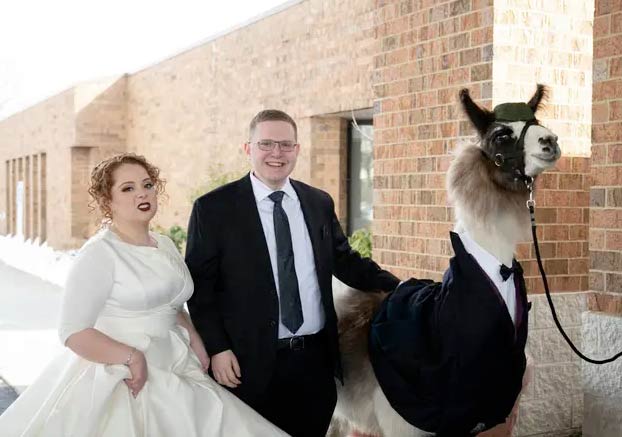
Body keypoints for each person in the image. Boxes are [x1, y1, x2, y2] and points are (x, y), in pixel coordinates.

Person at [0, 153, 288, 437]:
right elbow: (73, 331)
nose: (142, 194)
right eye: (128, 188)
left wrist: (198, 341)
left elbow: (171, 302)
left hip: (178, 361)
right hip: (126, 375)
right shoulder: (100, 254)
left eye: (147, 185)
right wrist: (132, 358)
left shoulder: (163, 244)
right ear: (106, 200)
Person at [185, 109, 400, 437]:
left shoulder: (317, 203)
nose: (277, 153)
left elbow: (348, 262)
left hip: (314, 363)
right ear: (248, 149)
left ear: (297, 150)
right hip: (247, 364)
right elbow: (201, 288)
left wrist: (403, 288)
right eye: (266, 144)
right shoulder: (214, 209)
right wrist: (217, 348)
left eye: (286, 145)